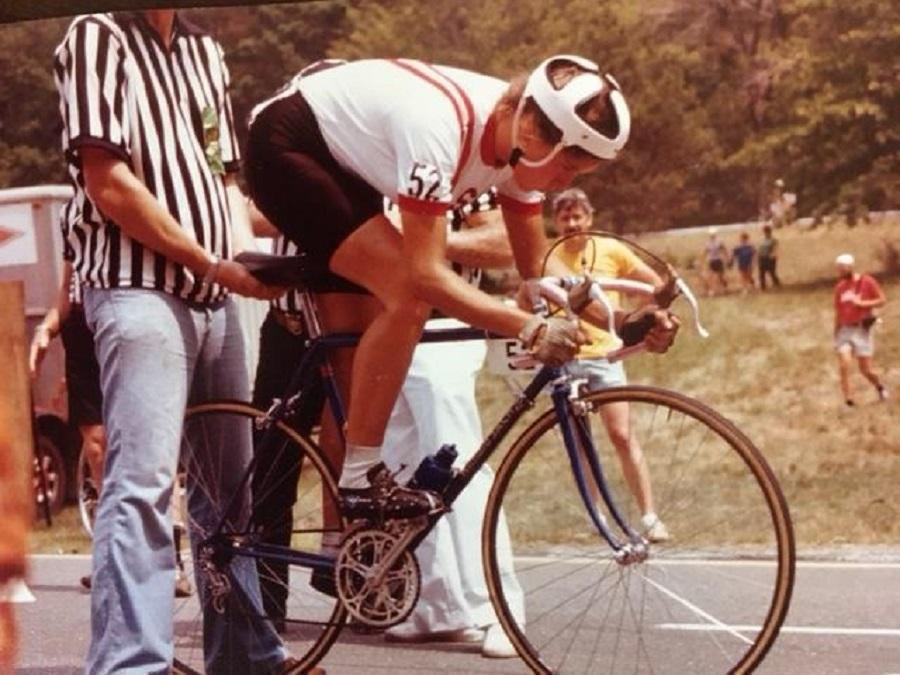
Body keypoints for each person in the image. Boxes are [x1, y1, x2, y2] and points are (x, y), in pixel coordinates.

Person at [244, 55, 678, 521]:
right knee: (408, 295)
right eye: (567, 171)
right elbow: (428, 275)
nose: (562, 185)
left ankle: (345, 530)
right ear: (533, 135)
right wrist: (525, 326)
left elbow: (540, 273)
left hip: (346, 159)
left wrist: (624, 323)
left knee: (395, 303)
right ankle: (359, 473)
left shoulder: (521, 142)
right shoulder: (439, 128)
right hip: (287, 146)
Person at [54, 10, 290, 672]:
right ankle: (131, 663)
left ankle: (245, 653)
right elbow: (107, 182)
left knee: (231, 493)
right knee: (144, 485)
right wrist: (208, 260)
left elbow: (226, 181)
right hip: (139, 289)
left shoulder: (204, 52)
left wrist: (278, 249)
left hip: (212, 293)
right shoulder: (95, 36)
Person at [380, 191, 522, 658]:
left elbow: (504, 241)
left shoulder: (451, 160)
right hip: (382, 327)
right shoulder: (363, 153)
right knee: (402, 469)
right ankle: (435, 605)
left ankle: (497, 608)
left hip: (443, 326)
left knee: (459, 465)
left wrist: (432, 242)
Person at [548, 187, 669, 542]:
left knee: (621, 435)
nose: (572, 224)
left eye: (578, 217)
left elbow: (653, 283)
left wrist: (652, 312)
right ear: (556, 222)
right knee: (581, 443)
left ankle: (648, 515)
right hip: (567, 357)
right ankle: (596, 515)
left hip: (605, 356)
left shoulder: (611, 249)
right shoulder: (549, 255)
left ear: (590, 218)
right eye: (565, 218)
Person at [833, 253, 888, 406]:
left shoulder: (867, 282)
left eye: (842, 269)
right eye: (838, 270)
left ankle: (879, 387)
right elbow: (838, 312)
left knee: (866, 370)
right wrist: (836, 332)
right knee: (844, 364)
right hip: (845, 330)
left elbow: (882, 300)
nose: (840, 273)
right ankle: (848, 400)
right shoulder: (840, 288)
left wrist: (862, 303)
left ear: (850, 267)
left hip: (862, 330)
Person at [703, 227, 729, 296]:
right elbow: (705, 252)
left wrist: (727, 257)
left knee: (721, 276)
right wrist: (702, 260)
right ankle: (711, 290)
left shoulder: (719, 241)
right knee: (710, 276)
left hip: (718, 260)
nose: (712, 236)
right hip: (711, 260)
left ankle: (725, 288)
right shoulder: (708, 243)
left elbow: (724, 249)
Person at [758, 224, 781, 290]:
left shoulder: (773, 240)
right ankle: (763, 287)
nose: (765, 233)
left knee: (772, 272)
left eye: (767, 231)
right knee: (761, 273)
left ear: (770, 232)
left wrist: (773, 255)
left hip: (770, 258)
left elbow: (776, 248)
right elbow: (760, 248)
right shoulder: (762, 239)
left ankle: (776, 282)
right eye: (764, 231)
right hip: (762, 257)